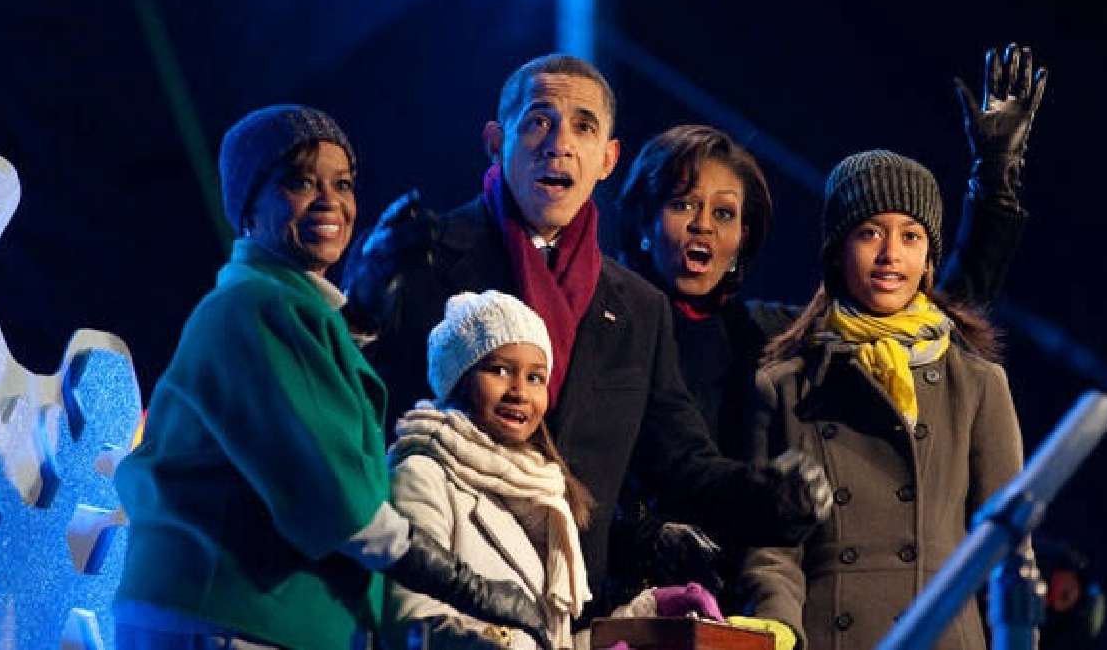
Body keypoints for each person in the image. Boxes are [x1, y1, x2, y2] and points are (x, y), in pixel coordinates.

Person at [342, 55, 833, 621]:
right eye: (538, 121)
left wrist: (771, 498)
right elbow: (353, 415)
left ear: (607, 159)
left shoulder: (638, 309)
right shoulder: (422, 261)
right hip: (435, 596)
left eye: (583, 126)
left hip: (567, 613)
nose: (559, 144)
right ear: (495, 141)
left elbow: (682, 461)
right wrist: (362, 304)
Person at [608, 42, 1047, 605]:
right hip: (627, 597)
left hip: (742, 601)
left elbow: (920, 318)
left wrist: (996, 183)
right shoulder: (605, 330)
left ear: (744, 239)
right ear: (644, 220)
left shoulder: (770, 339)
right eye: (682, 205)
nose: (702, 228)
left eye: (723, 213)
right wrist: (643, 537)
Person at [114, 105, 549, 650]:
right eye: (299, 182)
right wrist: (477, 591)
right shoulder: (255, 308)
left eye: (342, 183)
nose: (330, 201)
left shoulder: (282, 306)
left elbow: (312, 382)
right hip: (228, 615)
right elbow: (344, 507)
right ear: (248, 206)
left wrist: (361, 313)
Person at [740, 148, 1031, 650]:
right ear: (837, 248)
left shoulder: (980, 385)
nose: (890, 254)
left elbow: (1005, 550)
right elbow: (772, 549)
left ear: (929, 259)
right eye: (870, 232)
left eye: (911, 236)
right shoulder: (785, 386)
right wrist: (778, 629)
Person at [384, 289, 593, 650]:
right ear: (459, 378)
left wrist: (640, 619)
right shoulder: (423, 473)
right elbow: (412, 622)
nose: (520, 393)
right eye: (499, 370)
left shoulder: (539, 491)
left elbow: (549, 641)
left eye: (535, 377)